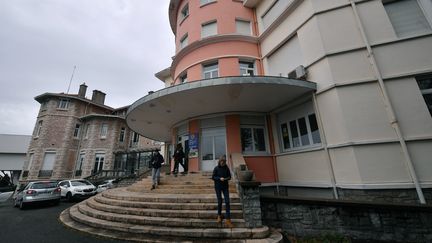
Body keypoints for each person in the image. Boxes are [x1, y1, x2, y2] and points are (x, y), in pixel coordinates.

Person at [212, 156, 233, 228]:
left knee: (227, 201)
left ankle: (228, 219)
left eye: (224, 162)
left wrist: (225, 179)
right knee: (220, 201)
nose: (222, 163)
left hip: (225, 187)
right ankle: (219, 215)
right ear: (219, 162)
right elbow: (213, 177)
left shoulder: (226, 168)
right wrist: (219, 178)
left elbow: (230, 177)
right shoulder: (216, 168)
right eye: (221, 162)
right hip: (218, 187)